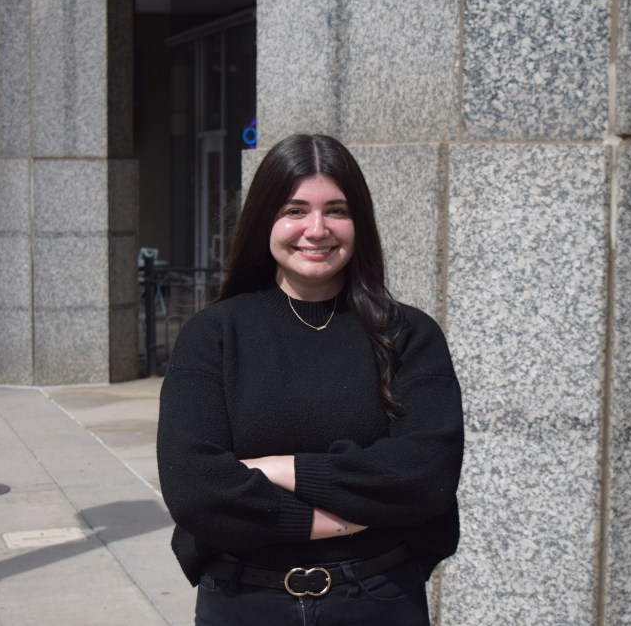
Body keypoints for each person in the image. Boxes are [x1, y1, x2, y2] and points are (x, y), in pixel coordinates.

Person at [156, 134, 464, 625]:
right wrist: (341, 519)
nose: (316, 230)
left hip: (379, 598)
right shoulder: (213, 334)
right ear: (264, 221)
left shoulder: (407, 335)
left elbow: (425, 476)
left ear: (358, 221)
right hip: (243, 601)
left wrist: (281, 469)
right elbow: (196, 488)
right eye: (295, 210)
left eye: (336, 210)